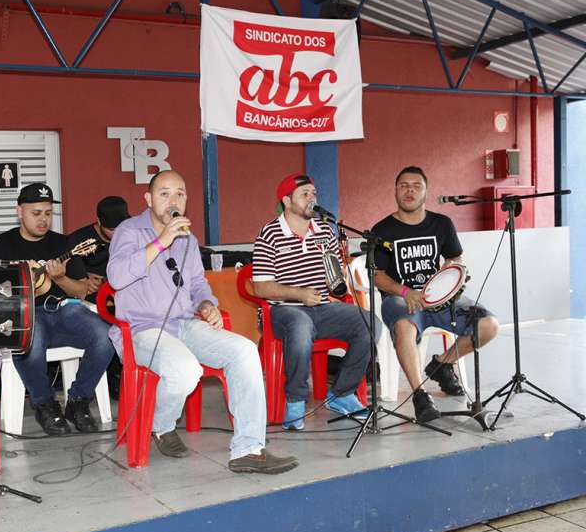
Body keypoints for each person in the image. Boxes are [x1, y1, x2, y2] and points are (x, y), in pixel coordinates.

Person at [107, 170, 297, 474]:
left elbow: (197, 285)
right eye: (165, 193)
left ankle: (249, 449)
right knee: (186, 370)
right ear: (148, 199)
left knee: (245, 351)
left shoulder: (188, 240)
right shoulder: (129, 231)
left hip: (184, 325)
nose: (174, 200)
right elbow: (116, 278)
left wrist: (207, 304)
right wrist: (162, 240)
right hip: (143, 330)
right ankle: (161, 426)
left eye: (180, 193)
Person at [0, 183, 114, 435]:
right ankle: (45, 404)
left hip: (63, 313)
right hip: (25, 316)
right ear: (20, 211)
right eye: (36, 213)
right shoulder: (1, 245)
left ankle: (78, 401)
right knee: (31, 333)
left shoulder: (64, 244)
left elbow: (82, 291)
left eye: (48, 213)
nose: (43, 219)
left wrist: (61, 279)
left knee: (107, 335)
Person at [372, 166, 500, 423]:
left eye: (416, 186)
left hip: (439, 299)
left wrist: (449, 282)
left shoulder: (442, 224)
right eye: (404, 186)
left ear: (426, 192)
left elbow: (455, 258)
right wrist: (405, 290)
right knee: (404, 327)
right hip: (401, 298)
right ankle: (420, 395)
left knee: (488, 325)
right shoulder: (382, 230)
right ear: (395, 191)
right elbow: (378, 276)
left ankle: (441, 364)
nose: (410, 191)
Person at [252, 173, 378, 430]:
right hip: (282, 311)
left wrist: (339, 278)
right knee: (300, 326)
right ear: (286, 201)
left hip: (322, 307)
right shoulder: (270, 233)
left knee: (370, 322)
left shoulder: (324, 232)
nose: (312, 198)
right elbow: (261, 287)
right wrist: (299, 294)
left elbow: (333, 278)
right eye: (304, 194)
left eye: (314, 193)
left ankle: (342, 393)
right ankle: (296, 401)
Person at [68, 196, 131, 399]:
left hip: (127, 292)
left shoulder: (132, 233)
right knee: (111, 317)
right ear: (98, 221)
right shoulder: (80, 239)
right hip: (93, 299)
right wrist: (84, 279)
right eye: (111, 230)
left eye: (119, 229)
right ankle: (114, 375)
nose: (116, 235)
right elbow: (72, 277)